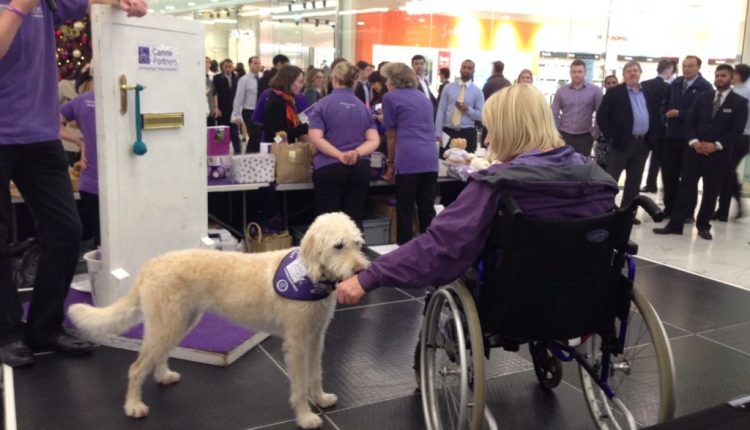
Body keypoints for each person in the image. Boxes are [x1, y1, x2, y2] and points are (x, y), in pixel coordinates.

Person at [335, 84, 618, 305]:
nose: (489, 140)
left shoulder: (498, 186)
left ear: (510, 130)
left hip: (513, 299)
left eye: (491, 130)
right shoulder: (598, 181)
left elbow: (439, 247)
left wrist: (371, 276)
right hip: (584, 297)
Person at [0, 0, 148, 368]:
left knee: (66, 229)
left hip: (40, 136)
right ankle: (5, 331)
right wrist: (20, 6)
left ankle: (45, 326)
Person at [654, 65, 748, 240]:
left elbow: (736, 130)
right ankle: (676, 224)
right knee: (685, 188)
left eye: (723, 76)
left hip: (718, 155)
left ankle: (703, 225)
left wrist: (716, 145)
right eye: (717, 75)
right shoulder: (702, 98)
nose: (719, 78)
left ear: (731, 77)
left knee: (711, 191)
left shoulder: (740, 103)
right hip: (694, 152)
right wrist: (694, 142)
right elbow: (690, 122)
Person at [307, 61, 379, 228]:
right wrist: (356, 153)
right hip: (359, 168)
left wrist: (340, 155)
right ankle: (355, 253)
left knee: (329, 223)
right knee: (354, 221)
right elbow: (373, 140)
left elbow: (315, 137)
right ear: (353, 81)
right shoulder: (363, 108)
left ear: (334, 79)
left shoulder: (322, 105)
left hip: (328, 167)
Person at [380, 62, 440, 245]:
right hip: (430, 158)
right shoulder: (423, 97)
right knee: (426, 208)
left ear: (393, 80)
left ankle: (404, 253)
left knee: (405, 209)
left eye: (386, 80)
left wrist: (390, 163)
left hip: (408, 158)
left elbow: (391, 135)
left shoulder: (390, 98)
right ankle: (430, 250)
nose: (385, 84)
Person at [596, 61, 657, 221]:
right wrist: (610, 137)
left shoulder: (648, 92)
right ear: (624, 75)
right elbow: (602, 116)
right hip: (621, 143)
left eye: (635, 70)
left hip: (642, 144)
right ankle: (605, 212)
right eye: (629, 71)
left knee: (634, 181)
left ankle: (627, 214)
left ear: (640, 73)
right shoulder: (615, 93)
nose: (632, 73)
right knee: (611, 178)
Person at [660, 55, 713, 216]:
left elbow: (705, 113)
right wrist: (664, 118)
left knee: (688, 179)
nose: (687, 69)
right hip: (672, 136)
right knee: (669, 174)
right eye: (684, 66)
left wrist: (679, 113)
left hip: (691, 139)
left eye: (690, 66)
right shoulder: (676, 83)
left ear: (698, 67)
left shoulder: (705, 87)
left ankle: (686, 212)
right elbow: (664, 104)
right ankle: (669, 208)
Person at [59, 69, 100, 247]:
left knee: (101, 239)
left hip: (89, 185)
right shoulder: (123, 98)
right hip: (114, 185)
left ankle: (98, 272)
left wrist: (78, 141)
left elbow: (53, 122)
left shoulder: (82, 101)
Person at [714, 63, 750, 221]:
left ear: (738, 75)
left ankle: (723, 210)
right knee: (728, 172)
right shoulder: (736, 92)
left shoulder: (744, 93)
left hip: (740, 137)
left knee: (727, 172)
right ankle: (728, 207)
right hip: (738, 137)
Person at [551, 59, 603, 156]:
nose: (576, 74)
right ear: (570, 73)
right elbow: (554, 112)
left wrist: (594, 133)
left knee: (581, 166)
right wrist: (554, 132)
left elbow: (600, 114)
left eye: (579, 72)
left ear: (585, 73)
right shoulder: (561, 91)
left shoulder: (595, 91)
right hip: (563, 134)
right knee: (562, 164)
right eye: (574, 72)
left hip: (585, 136)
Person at [640, 59, 676, 193]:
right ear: (669, 70)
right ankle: (656, 185)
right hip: (662, 129)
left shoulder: (644, 85)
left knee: (640, 160)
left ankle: (648, 184)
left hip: (644, 128)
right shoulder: (670, 88)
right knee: (659, 159)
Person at [435, 59, 484, 154]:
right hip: (448, 132)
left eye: (469, 68)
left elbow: (481, 116)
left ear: (473, 71)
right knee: (444, 161)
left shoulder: (478, 92)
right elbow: (441, 110)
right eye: (464, 67)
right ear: (460, 69)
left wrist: (468, 110)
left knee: (467, 164)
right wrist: (438, 132)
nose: (466, 70)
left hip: (468, 132)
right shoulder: (448, 88)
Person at [262, 65, 308, 142]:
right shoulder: (276, 102)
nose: (302, 85)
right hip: (277, 149)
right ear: (289, 82)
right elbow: (279, 135)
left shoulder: (287, 99)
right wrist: (305, 127)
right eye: (300, 82)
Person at [232, 56, 262, 153]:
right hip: (249, 111)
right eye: (255, 63)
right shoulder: (244, 80)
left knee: (259, 137)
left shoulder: (262, 79)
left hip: (261, 111)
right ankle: (249, 157)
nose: (257, 65)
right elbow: (238, 98)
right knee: (254, 136)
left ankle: (257, 157)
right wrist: (236, 114)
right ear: (249, 65)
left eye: (258, 63)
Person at [212, 59, 241, 154]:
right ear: (222, 67)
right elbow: (214, 94)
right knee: (220, 135)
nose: (228, 69)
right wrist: (216, 107)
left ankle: (238, 155)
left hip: (233, 111)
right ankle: (220, 154)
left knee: (235, 135)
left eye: (230, 67)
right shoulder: (216, 78)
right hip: (222, 111)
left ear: (233, 67)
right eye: (226, 67)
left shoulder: (236, 78)